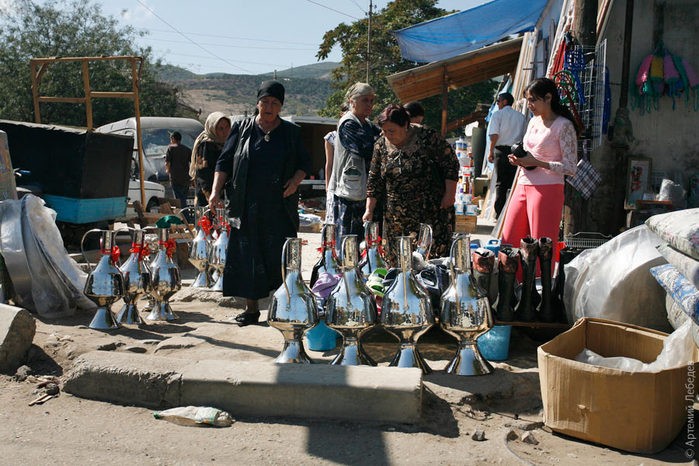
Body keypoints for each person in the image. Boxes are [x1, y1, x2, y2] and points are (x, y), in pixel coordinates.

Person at [208, 80, 311, 326]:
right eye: (265, 102)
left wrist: (295, 182)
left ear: (281, 106)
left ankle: (282, 308)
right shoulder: (242, 128)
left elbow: (304, 163)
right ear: (257, 103)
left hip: (278, 205)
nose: (269, 107)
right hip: (246, 204)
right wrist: (215, 192)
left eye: (274, 103)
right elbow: (224, 162)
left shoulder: (290, 132)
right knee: (248, 256)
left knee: (279, 256)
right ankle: (251, 309)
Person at [362, 104, 459, 265]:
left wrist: (450, 194)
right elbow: (374, 179)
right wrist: (369, 210)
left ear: (405, 125)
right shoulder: (380, 145)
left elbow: (451, 164)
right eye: (384, 131)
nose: (387, 135)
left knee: (428, 261)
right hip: (395, 217)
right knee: (398, 261)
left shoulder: (428, 138)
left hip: (430, 213)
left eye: (391, 131)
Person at [501, 78, 578, 273]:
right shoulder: (533, 121)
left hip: (548, 189)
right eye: (528, 100)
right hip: (523, 183)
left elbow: (571, 167)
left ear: (548, 98)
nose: (529, 105)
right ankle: (512, 290)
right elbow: (530, 153)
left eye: (533, 100)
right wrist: (521, 160)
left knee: (541, 243)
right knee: (509, 240)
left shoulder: (564, 125)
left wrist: (537, 162)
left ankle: (539, 293)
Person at [329, 82, 381, 240]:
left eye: (372, 100)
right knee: (348, 243)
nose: (370, 104)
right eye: (365, 100)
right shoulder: (348, 123)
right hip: (349, 195)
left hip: (362, 191)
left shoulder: (368, 125)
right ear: (352, 101)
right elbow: (367, 149)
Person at [487, 92, 526, 217]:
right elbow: (524, 137)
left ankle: (499, 213)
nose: (497, 104)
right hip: (516, 152)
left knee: (501, 183)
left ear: (504, 102)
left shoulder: (497, 115)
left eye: (498, 101)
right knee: (512, 183)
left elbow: (494, 134)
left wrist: (490, 152)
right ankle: (511, 213)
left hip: (501, 151)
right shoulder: (521, 117)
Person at [189, 112, 232, 207]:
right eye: (220, 128)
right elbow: (203, 174)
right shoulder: (206, 145)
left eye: (227, 127)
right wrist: (213, 197)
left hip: (223, 199)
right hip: (207, 198)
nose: (225, 132)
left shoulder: (227, 144)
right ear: (213, 129)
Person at [164, 131, 192, 209]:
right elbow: (193, 163)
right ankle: (185, 215)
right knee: (183, 198)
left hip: (175, 178)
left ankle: (183, 216)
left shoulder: (171, 148)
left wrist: (168, 171)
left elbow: (167, 163)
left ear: (173, 139)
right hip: (186, 178)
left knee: (178, 199)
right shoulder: (187, 149)